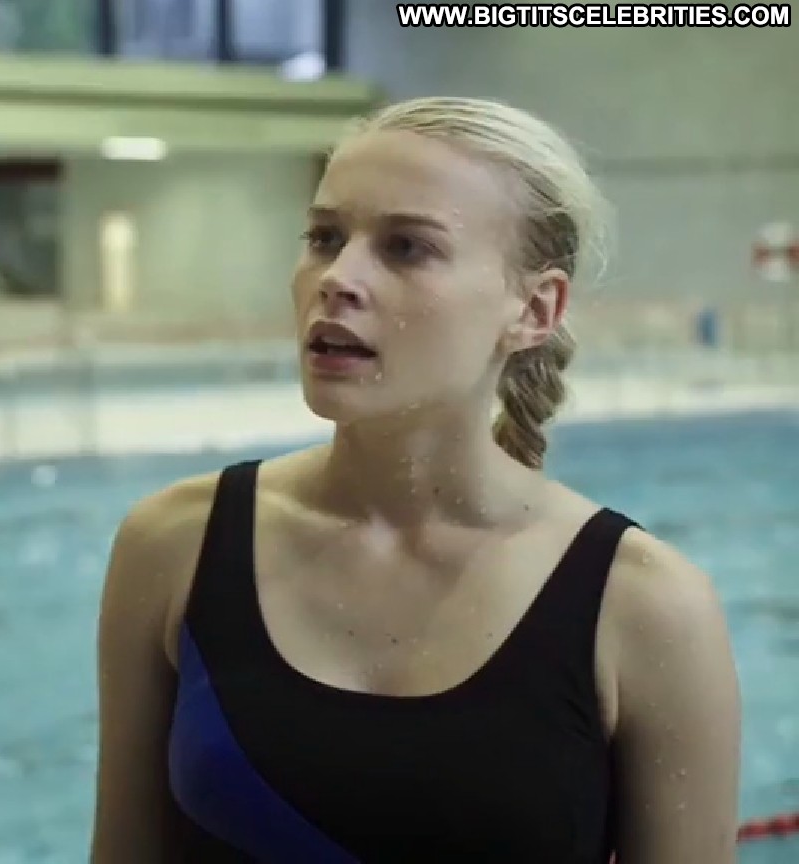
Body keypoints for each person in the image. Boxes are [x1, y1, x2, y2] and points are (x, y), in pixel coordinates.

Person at [91, 96, 742, 864]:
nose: (338, 278)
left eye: (406, 248)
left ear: (534, 309)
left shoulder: (646, 608)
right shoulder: (174, 545)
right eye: (325, 237)